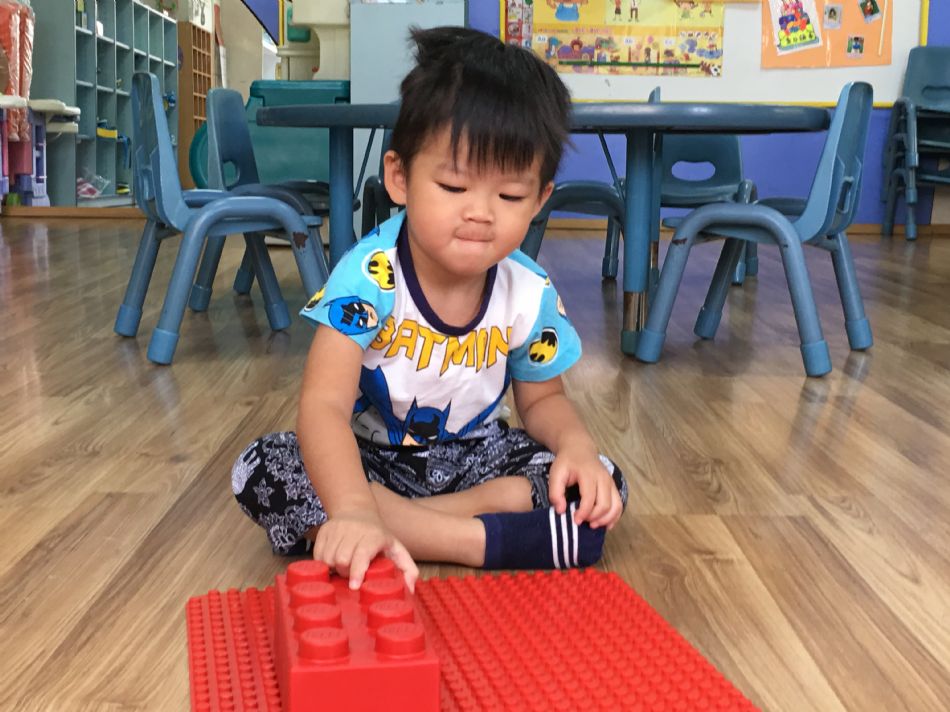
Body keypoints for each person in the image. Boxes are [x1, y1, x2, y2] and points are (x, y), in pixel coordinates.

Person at [232, 26, 628, 593]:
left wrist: (577, 449)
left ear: (541, 199)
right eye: (453, 187)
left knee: (601, 480)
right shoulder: (369, 277)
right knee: (263, 466)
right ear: (401, 178)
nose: (480, 213)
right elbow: (323, 405)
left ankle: (398, 528)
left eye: (510, 196)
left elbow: (543, 400)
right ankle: (469, 539)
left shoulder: (528, 290)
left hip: (476, 461)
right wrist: (353, 505)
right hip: (370, 462)